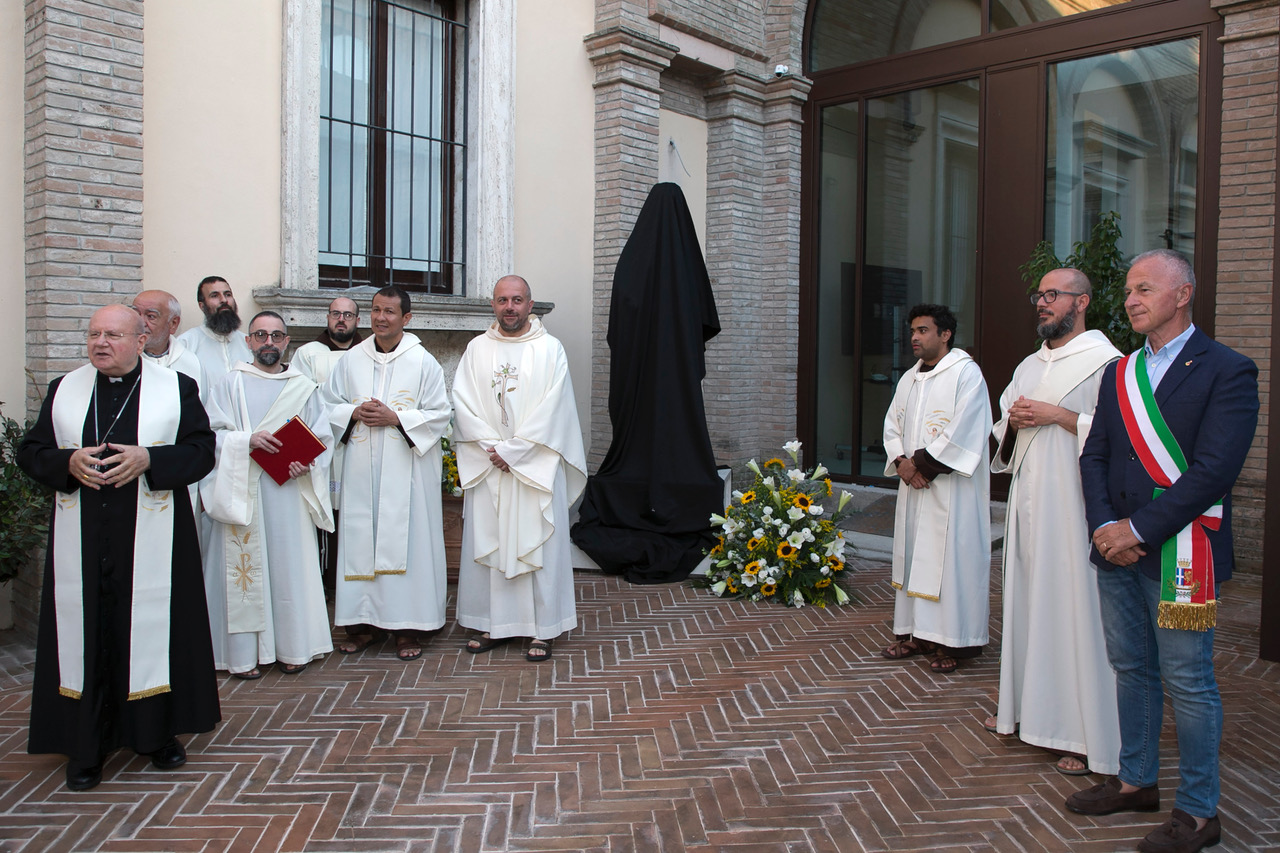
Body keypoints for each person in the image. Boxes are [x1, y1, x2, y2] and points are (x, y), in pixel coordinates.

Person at [1068, 250, 1258, 853]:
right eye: (1127, 290)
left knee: (1188, 680)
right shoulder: (1118, 372)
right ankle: (1135, 781)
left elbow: (1212, 472)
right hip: (1115, 548)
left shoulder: (1227, 369)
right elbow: (1094, 455)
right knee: (1131, 669)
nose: (1131, 299)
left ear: (1184, 294)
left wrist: (1137, 530)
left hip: (1180, 553)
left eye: (1144, 288)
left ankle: (1200, 813)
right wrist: (1105, 525)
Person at [17, 304, 219, 792]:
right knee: (86, 634)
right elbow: (31, 451)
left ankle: (156, 735)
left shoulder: (176, 388)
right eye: (93, 335)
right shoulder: (64, 389)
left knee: (151, 630)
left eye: (112, 335)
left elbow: (202, 451)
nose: (100, 343)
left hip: (153, 538)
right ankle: (86, 747)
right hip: (83, 539)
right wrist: (68, 462)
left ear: (140, 337)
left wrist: (150, 457)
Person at [986, 268, 1121, 776]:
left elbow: (1118, 436)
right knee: (1026, 603)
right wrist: (1014, 423)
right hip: (1028, 502)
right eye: (1038, 295)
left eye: (1052, 295)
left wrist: (1059, 417)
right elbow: (1005, 427)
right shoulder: (1027, 364)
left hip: (1073, 505)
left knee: (1072, 609)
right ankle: (1025, 712)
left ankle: (1082, 731)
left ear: (1081, 302)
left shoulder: (1107, 363)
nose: (1041, 303)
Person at [452, 275, 587, 662]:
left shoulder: (550, 349)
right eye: (501, 300)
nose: (509, 307)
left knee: (537, 545)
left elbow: (555, 408)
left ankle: (543, 628)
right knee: (491, 543)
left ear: (530, 305)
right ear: (493, 305)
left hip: (534, 467)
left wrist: (516, 451)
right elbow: (462, 402)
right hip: (489, 463)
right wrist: (491, 450)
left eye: (517, 300)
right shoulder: (477, 349)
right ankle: (492, 623)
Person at [200, 312, 335, 680]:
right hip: (242, 490)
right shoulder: (229, 385)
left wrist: (306, 466)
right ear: (248, 342)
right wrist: (246, 441)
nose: (269, 343)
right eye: (261, 335)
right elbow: (209, 436)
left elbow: (322, 439)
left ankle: (294, 648)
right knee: (244, 574)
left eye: (276, 336)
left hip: (287, 492)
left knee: (289, 567)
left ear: (287, 341)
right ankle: (243, 657)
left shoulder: (304, 386)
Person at [321, 285, 452, 661]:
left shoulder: (423, 361)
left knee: (407, 541)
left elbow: (440, 414)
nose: (381, 318)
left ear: (406, 318)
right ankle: (362, 626)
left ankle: (407, 628)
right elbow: (327, 403)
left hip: (407, 474)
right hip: (362, 473)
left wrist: (398, 418)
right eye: (376, 310)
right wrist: (352, 413)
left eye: (390, 312)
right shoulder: (350, 361)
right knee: (362, 538)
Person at [880, 303, 991, 674]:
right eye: (913, 330)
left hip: (951, 490)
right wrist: (903, 465)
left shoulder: (966, 374)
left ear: (945, 335)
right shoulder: (908, 379)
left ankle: (951, 642)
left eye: (924, 330)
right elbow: (891, 426)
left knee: (950, 565)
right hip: (915, 489)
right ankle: (915, 634)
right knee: (913, 559)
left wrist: (922, 466)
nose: (914, 337)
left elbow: (967, 428)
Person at [292, 296, 363, 594]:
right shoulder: (308, 354)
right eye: (336, 313)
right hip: (322, 449)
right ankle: (325, 582)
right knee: (324, 510)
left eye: (348, 314)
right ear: (327, 317)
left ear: (358, 320)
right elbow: (298, 400)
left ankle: (355, 580)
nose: (341, 319)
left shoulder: (367, 353)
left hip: (357, 446)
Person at [178, 275, 252, 385]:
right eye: (214, 296)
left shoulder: (248, 343)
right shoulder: (186, 344)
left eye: (228, 295)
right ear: (202, 306)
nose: (224, 300)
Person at [132, 289, 206, 398]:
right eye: (136, 314)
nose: (141, 323)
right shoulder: (123, 358)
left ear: (173, 323)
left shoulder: (190, 362)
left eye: (151, 316)